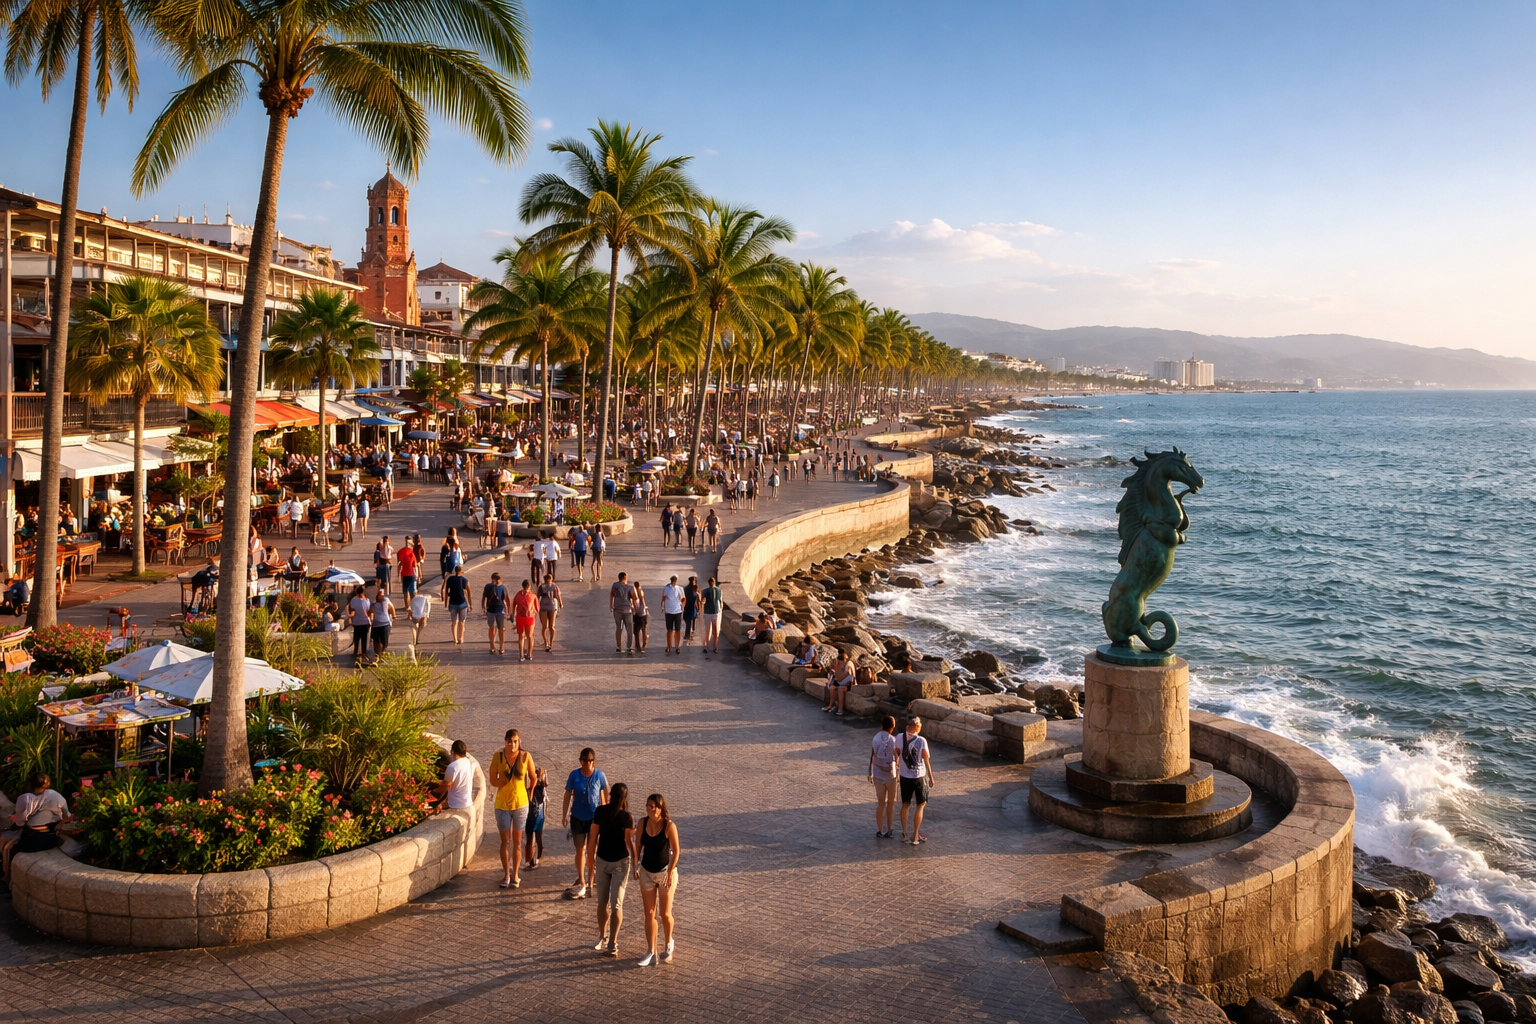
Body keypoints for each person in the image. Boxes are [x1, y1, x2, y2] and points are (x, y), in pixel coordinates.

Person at [633, 792, 681, 966]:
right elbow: (638, 845)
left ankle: (668, 942)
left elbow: (676, 851)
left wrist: (670, 871)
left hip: (665, 874)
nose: (649, 809)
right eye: (647, 805)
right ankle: (650, 950)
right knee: (649, 913)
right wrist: (635, 864)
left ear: (660, 808)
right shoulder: (642, 823)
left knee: (665, 914)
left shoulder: (669, 826)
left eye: (652, 806)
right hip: (646, 872)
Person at [489, 728, 536, 889]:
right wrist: (500, 782)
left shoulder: (525, 756)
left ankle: (515, 875)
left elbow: (533, 776)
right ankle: (506, 875)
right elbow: (492, 779)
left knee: (517, 841)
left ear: (519, 742)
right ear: (505, 742)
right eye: (510, 742)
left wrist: (530, 793)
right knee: (505, 840)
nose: (513, 745)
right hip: (502, 804)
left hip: (520, 804)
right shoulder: (498, 756)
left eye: (515, 741)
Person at [591, 783, 634, 957]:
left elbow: (593, 837)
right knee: (612, 904)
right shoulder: (625, 816)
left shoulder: (604, 812)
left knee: (606, 903)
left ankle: (607, 939)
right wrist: (636, 860)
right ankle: (608, 940)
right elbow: (629, 842)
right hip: (614, 861)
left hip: (610, 861)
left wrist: (590, 860)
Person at [562, 747, 609, 899]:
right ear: (581, 761)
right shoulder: (574, 775)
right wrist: (564, 815)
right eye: (585, 761)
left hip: (594, 819)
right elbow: (567, 794)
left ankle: (590, 880)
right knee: (580, 849)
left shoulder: (599, 775)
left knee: (591, 850)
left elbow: (605, 794)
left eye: (590, 761)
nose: (588, 764)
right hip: (577, 817)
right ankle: (582, 879)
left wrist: (605, 813)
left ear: (594, 762)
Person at [898, 716, 936, 844]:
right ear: (918, 728)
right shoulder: (921, 740)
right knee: (920, 805)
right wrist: (931, 777)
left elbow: (896, 753)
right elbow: (926, 760)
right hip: (919, 776)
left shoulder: (899, 737)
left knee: (905, 804)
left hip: (904, 776)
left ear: (907, 726)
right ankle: (915, 836)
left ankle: (904, 834)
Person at [11, 772, 70, 854]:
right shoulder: (55, 795)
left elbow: (19, 823)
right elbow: (66, 815)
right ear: (46, 784)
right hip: (50, 839)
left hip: (30, 841)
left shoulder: (24, 798)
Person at [868, 716, 900, 839]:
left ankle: (880, 830)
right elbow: (897, 758)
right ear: (892, 727)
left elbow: (872, 756)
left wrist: (870, 772)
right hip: (891, 775)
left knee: (880, 803)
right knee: (891, 803)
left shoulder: (875, 738)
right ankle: (889, 829)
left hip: (878, 774)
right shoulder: (894, 740)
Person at [439, 739, 474, 811]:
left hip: (455, 804)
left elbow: (446, 785)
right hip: (467, 802)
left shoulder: (452, 766)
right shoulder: (467, 762)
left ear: (452, 752)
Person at [524, 767, 548, 871]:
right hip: (539, 811)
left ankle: (531, 861)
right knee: (538, 836)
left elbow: (529, 797)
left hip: (531, 812)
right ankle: (538, 857)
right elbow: (546, 785)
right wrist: (543, 774)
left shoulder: (531, 788)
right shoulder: (541, 785)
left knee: (530, 838)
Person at [441, 563, 471, 645]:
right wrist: (470, 604)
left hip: (452, 603)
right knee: (461, 622)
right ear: (461, 572)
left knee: (454, 622)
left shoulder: (450, 579)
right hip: (462, 603)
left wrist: (446, 602)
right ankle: (460, 638)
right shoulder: (464, 580)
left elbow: (446, 591)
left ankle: (455, 639)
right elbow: (468, 592)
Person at [482, 571, 509, 655]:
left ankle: (493, 646)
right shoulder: (502, 587)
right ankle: (500, 647)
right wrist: (507, 609)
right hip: (499, 609)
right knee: (500, 629)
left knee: (492, 628)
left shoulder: (487, 586)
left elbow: (484, 597)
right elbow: (505, 599)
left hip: (491, 609)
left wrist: (483, 607)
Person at [610, 572, 635, 655]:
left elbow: (611, 595)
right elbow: (634, 597)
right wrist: (634, 606)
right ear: (625, 578)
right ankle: (629, 647)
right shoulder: (630, 587)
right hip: (628, 610)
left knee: (618, 628)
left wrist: (611, 606)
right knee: (629, 629)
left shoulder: (615, 585)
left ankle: (619, 646)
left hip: (617, 609)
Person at [512, 578, 537, 661]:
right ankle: (529, 654)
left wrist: (513, 614)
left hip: (520, 617)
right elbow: (537, 608)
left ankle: (521, 655)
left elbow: (514, 604)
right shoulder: (533, 596)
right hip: (530, 617)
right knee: (530, 636)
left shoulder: (518, 595)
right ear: (529, 586)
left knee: (521, 636)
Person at [537, 572, 563, 653]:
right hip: (544, 606)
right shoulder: (542, 587)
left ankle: (550, 643)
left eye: (549, 580)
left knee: (551, 626)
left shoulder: (554, 586)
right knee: (545, 626)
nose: (548, 582)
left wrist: (560, 603)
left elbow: (558, 595)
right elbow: (537, 597)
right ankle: (546, 642)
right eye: (547, 580)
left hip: (552, 606)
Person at [823, 650, 855, 716]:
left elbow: (848, 674)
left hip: (850, 683)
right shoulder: (841, 663)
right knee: (832, 688)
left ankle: (840, 709)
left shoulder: (848, 664)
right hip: (842, 682)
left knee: (840, 689)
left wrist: (838, 679)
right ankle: (830, 705)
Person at [369, 587, 395, 659]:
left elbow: (392, 607)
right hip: (377, 625)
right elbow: (370, 611)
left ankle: (381, 654)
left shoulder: (385, 601)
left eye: (381, 594)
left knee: (384, 642)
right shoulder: (374, 605)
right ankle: (377, 655)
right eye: (379, 594)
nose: (380, 596)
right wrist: (371, 617)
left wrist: (394, 616)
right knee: (376, 641)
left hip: (385, 624)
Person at [661, 575, 684, 655]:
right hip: (669, 611)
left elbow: (683, 599)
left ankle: (677, 646)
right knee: (669, 630)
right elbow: (663, 598)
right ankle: (669, 646)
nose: (673, 583)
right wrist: (663, 605)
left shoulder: (680, 588)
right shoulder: (667, 588)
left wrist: (682, 606)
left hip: (677, 611)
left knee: (677, 630)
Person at [700, 576, 723, 654]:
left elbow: (702, 602)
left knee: (710, 631)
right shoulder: (719, 590)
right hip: (714, 612)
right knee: (713, 631)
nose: (711, 583)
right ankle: (713, 647)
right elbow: (721, 603)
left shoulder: (705, 591)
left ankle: (708, 647)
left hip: (711, 612)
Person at [347, 585, 372, 660]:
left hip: (356, 622)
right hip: (365, 621)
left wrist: (350, 617)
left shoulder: (353, 600)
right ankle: (364, 652)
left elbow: (352, 609)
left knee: (356, 637)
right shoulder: (367, 600)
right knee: (364, 638)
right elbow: (368, 610)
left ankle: (355, 651)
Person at [408, 585, 433, 652]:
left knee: (416, 627)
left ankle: (416, 640)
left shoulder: (413, 600)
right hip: (422, 615)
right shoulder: (425, 599)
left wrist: (412, 615)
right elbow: (428, 607)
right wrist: (426, 615)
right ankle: (417, 639)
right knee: (420, 626)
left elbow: (412, 608)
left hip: (416, 616)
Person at [631, 581, 650, 654]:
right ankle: (644, 643)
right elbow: (643, 601)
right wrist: (645, 607)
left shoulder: (634, 593)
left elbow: (636, 602)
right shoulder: (641, 592)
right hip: (642, 613)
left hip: (636, 613)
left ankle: (638, 645)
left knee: (637, 630)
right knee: (643, 628)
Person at [682, 576, 701, 646]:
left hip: (690, 607)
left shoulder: (687, 589)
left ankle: (688, 635)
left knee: (690, 622)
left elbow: (698, 599)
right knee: (690, 622)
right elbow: (698, 599)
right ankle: (689, 635)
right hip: (691, 607)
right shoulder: (694, 589)